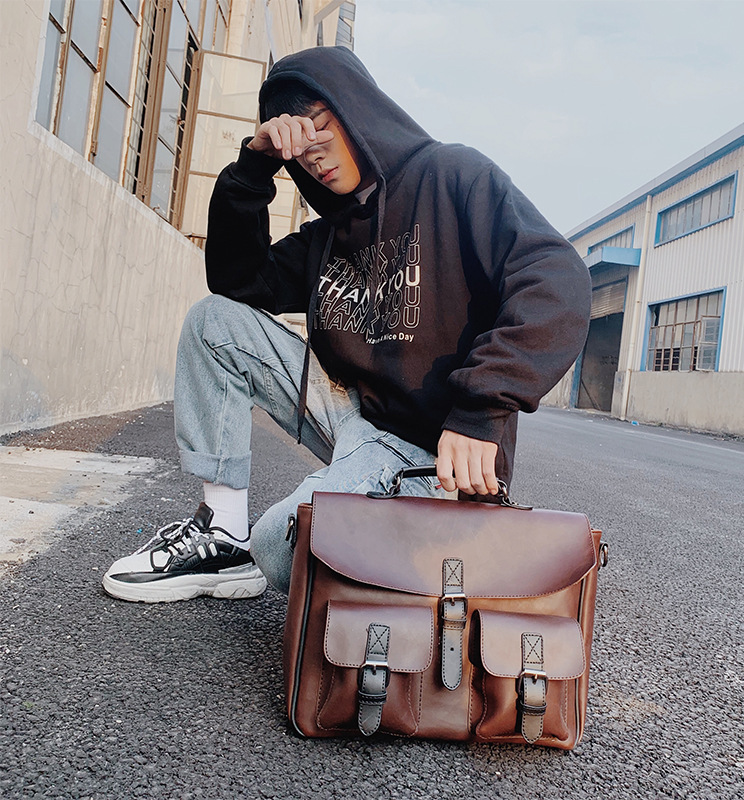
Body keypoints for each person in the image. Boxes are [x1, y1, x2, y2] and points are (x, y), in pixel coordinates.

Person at [102, 46, 591, 603]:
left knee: (281, 547)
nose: (314, 155)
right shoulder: (328, 235)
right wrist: (256, 166)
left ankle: (395, 545)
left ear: (357, 110)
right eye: (299, 147)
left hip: (431, 453)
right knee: (215, 323)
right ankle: (223, 531)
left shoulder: (453, 176)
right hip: (353, 417)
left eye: (321, 127)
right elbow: (238, 282)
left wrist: (482, 407)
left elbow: (556, 278)